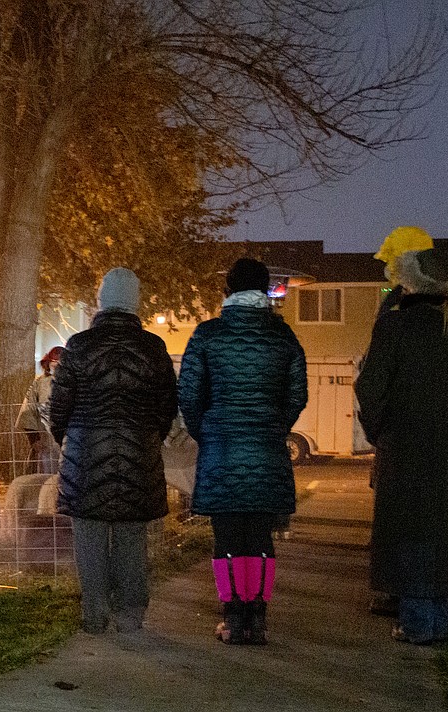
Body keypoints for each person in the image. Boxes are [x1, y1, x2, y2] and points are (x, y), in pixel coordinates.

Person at [355, 248, 448, 644]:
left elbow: (370, 386)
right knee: (445, 525)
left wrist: (378, 429)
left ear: (411, 282)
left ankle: (417, 622)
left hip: (402, 442)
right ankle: (439, 620)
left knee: (409, 527)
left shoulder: (395, 327)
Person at [177, 258, 308, 645]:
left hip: (221, 448)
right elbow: (297, 395)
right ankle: (259, 620)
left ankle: (234, 620)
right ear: (265, 291)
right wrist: (274, 427)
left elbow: (188, 395)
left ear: (228, 291)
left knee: (227, 539)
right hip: (267, 449)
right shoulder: (283, 337)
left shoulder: (207, 335)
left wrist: (209, 431)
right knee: (261, 539)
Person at [50, 267, 177, 635]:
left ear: (102, 301)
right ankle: (131, 614)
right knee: (131, 537)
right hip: (139, 456)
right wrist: (151, 436)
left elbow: (60, 406)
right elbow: (167, 403)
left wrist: (69, 441)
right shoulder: (153, 348)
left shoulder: (79, 345)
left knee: (88, 537)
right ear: (135, 303)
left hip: (86, 456)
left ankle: (94, 613)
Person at [16, 346, 64, 475]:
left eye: (60, 363)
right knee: (45, 478)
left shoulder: (74, 383)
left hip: (69, 443)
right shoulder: (39, 384)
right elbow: (28, 410)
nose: (56, 366)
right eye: (54, 363)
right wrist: (33, 438)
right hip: (45, 442)